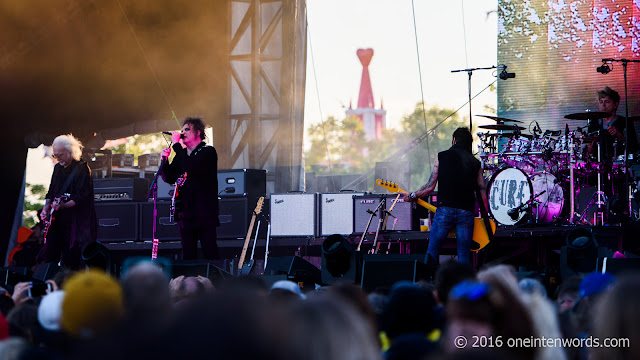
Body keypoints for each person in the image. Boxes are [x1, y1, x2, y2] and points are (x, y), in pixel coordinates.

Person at [402, 127, 487, 267]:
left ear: (454, 140)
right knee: (464, 255)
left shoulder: (441, 156)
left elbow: (429, 187)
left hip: (444, 211)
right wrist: (486, 215)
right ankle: (463, 286)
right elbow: (482, 191)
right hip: (466, 213)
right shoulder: (476, 163)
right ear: (469, 143)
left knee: (432, 251)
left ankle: (430, 282)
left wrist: (412, 195)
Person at [160, 117, 219, 260]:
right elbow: (169, 178)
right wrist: (164, 161)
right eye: (182, 130)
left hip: (204, 212)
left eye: (187, 129)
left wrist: (177, 146)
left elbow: (191, 167)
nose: (183, 133)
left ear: (198, 132)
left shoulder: (208, 152)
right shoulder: (182, 155)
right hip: (186, 213)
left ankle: (214, 280)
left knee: (209, 251)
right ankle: (188, 281)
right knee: (188, 254)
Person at [39, 134, 97, 270]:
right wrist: (46, 207)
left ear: (71, 152)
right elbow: (51, 190)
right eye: (55, 156)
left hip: (75, 222)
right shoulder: (57, 168)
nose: (58, 159)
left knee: (71, 259)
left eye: (61, 155)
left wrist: (64, 205)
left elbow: (82, 196)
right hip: (57, 220)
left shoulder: (82, 168)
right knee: (49, 255)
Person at [587, 86, 638, 161]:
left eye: (607, 102)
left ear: (616, 104)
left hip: (618, 163)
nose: (603, 105)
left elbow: (633, 147)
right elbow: (589, 148)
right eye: (601, 102)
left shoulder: (625, 122)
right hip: (598, 164)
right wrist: (590, 148)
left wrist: (619, 135)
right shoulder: (594, 123)